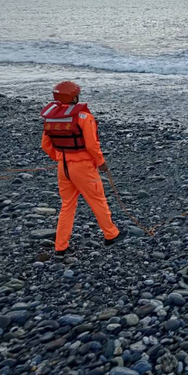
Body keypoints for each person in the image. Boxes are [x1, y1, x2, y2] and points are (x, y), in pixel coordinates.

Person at [40, 81, 125, 257]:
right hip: (83, 168)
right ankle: (111, 235)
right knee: (97, 201)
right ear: (74, 97)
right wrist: (101, 163)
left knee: (67, 205)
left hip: (63, 167)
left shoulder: (52, 117)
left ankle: (60, 246)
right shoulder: (84, 117)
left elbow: (45, 145)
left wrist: (60, 157)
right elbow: (92, 146)